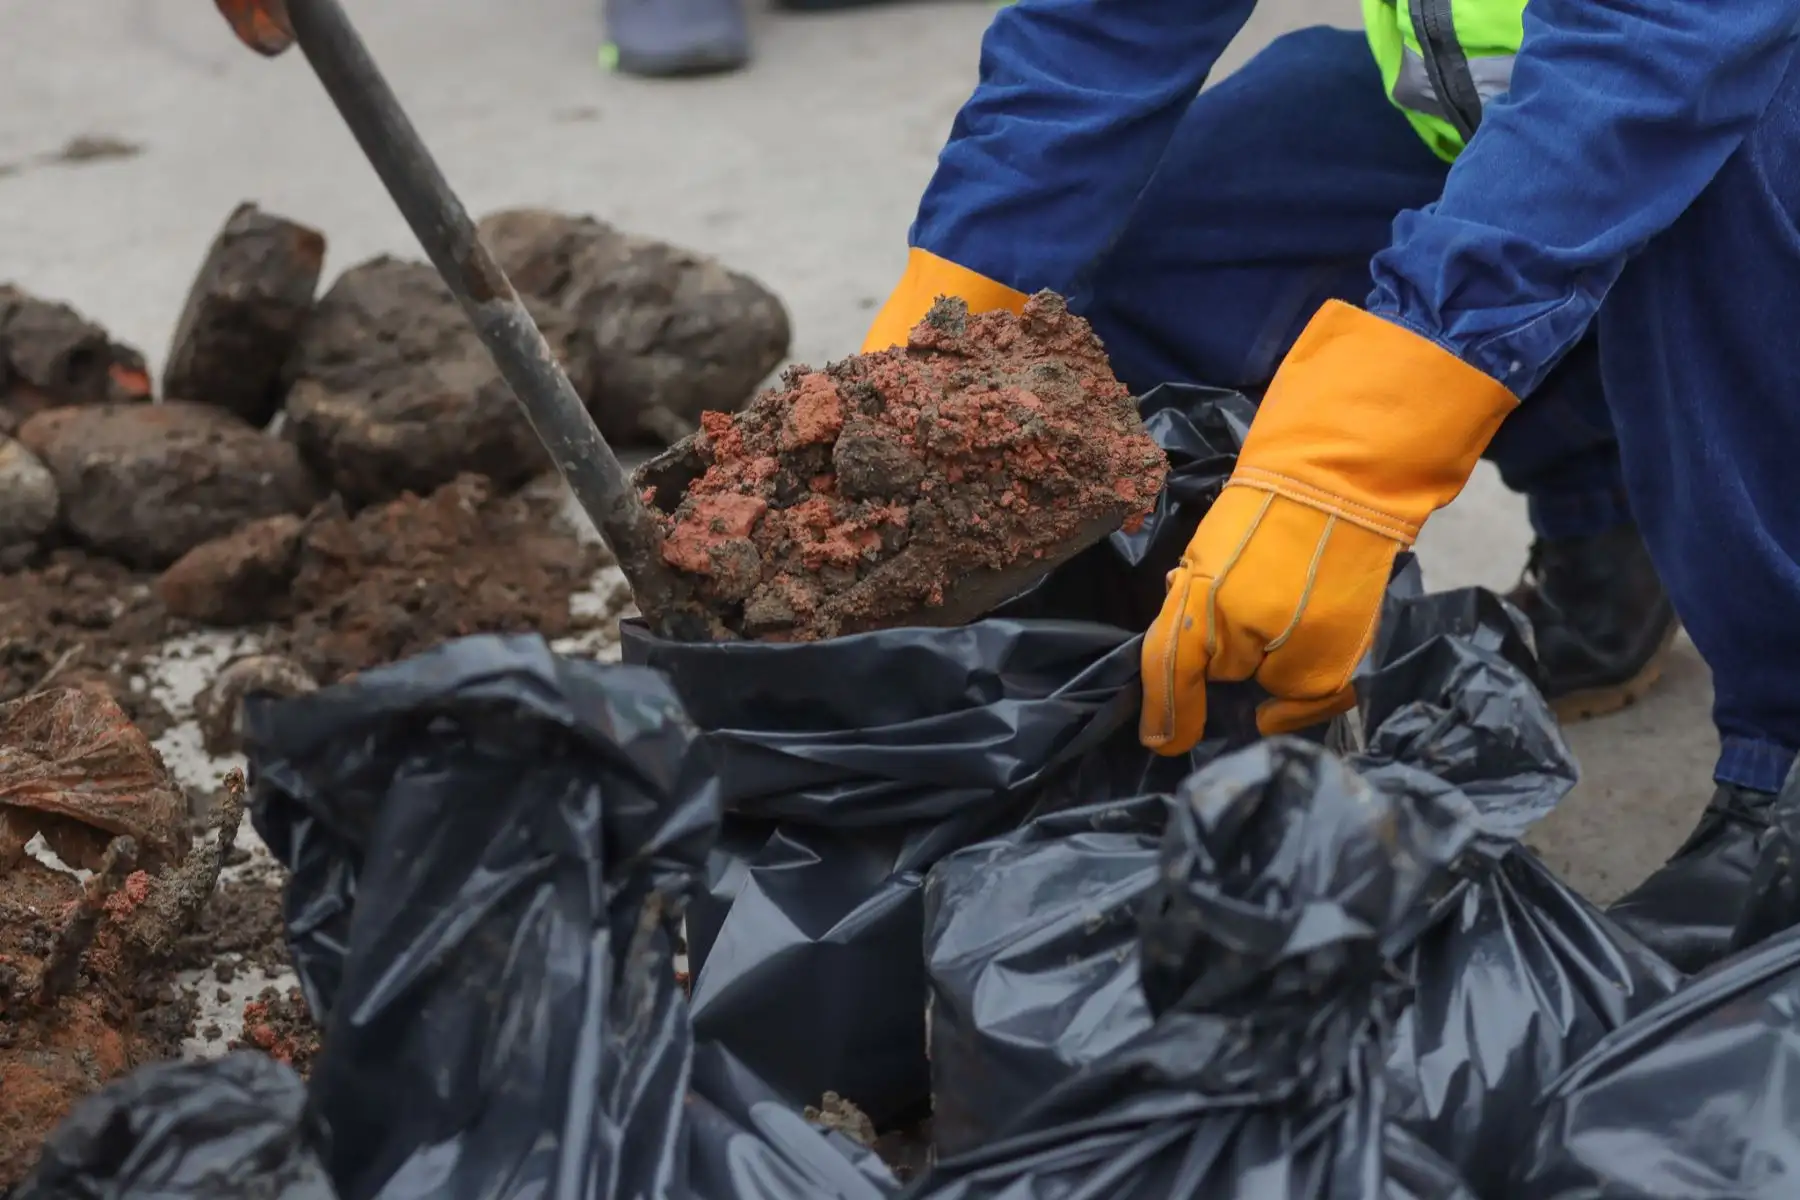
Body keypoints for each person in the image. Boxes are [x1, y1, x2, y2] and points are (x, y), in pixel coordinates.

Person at [862, 4, 1800, 864]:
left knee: (1719, 191)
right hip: (1510, 97)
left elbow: (1657, 50)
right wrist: (966, 309)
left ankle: (1782, 778)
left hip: (1715, 72)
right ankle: (1605, 516)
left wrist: (1351, 466)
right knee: (1129, 248)